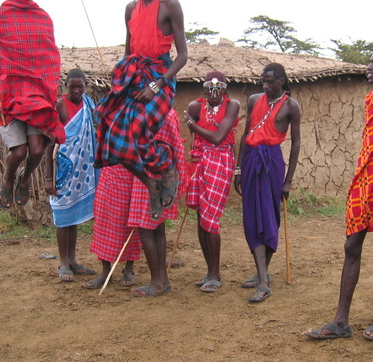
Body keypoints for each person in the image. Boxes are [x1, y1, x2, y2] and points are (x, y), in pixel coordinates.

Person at [304, 49, 373, 340]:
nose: (368, 68)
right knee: (351, 246)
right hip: (365, 180)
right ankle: (341, 320)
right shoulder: (372, 98)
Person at [94, 0, 188, 222]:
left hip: (160, 76)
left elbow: (182, 56)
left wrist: (157, 86)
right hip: (134, 75)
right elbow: (128, 51)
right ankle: (150, 182)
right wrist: (121, 81)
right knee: (106, 124)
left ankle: (168, 168)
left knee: (136, 129)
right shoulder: (129, 9)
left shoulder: (170, 5)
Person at [0, 0, 64, 210]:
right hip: (10, 94)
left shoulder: (43, 17)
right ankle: (9, 177)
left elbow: (49, 58)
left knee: (37, 150)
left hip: (37, 93)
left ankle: (25, 179)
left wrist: (49, 89)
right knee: (18, 153)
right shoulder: (2, 15)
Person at [86, 109, 188, 297]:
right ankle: (163, 280)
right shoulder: (168, 111)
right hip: (163, 172)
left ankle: (156, 282)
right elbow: (176, 145)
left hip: (147, 175)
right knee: (157, 227)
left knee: (145, 228)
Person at [234, 63, 301, 303]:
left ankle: (263, 276)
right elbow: (245, 135)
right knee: (252, 218)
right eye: (263, 81)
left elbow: (295, 144)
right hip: (252, 160)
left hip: (272, 163)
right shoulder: (254, 100)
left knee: (270, 218)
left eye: (270, 81)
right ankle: (262, 278)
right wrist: (238, 168)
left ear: (281, 80)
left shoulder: (291, 106)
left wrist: (288, 181)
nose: (266, 85)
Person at [183, 71, 240, 293]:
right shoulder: (196, 106)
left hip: (221, 159)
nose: (214, 93)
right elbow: (200, 137)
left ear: (225, 90)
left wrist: (192, 126)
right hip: (200, 160)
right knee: (200, 217)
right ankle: (208, 271)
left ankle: (215, 275)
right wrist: (193, 126)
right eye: (209, 89)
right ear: (204, 89)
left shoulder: (232, 105)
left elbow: (218, 137)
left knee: (210, 218)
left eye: (218, 89)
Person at [44, 69, 98, 282]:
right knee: (62, 215)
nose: (76, 90)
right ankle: (63, 264)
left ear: (85, 86)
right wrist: (48, 177)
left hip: (83, 169)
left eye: (80, 86)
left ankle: (73, 261)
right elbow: (50, 142)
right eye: (72, 87)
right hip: (65, 167)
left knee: (73, 217)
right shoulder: (59, 105)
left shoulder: (88, 105)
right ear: (66, 86)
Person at [85, 164, 142, 290]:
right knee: (104, 221)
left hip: (133, 173)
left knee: (130, 219)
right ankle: (105, 272)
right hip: (109, 173)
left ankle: (128, 269)